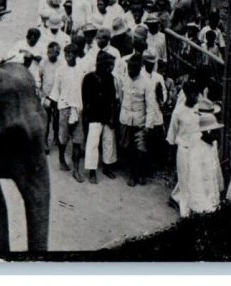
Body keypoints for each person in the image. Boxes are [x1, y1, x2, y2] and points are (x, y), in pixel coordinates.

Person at [48, 42, 86, 181]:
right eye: (66, 54)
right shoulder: (60, 70)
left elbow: (84, 89)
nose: (68, 57)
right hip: (63, 107)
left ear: (76, 55)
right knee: (63, 138)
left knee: (77, 140)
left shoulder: (82, 69)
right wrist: (55, 110)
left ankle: (76, 169)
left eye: (71, 54)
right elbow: (56, 91)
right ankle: (61, 160)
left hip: (78, 108)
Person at [118, 55, 157, 186]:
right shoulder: (123, 79)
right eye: (129, 67)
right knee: (128, 148)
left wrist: (148, 125)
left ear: (140, 68)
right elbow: (121, 98)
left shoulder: (147, 83)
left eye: (134, 68)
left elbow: (151, 106)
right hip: (126, 120)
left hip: (140, 121)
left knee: (140, 149)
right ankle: (133, 173)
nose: (130, 70)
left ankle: (139, 175)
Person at [82, 50, 119, 184]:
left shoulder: (110, 78)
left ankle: (107, 167)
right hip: (93, 116)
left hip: (107, 116)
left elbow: (112, 99)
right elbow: (85, 100)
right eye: (109, 66)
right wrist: (86, 117)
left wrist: (112, 117)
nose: (111, 68)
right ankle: (92, 171)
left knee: (109, 142)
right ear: (101, 65)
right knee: (92, 143)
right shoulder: (88, 78)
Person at [166, 79, 202, 211]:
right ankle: (184, 210)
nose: (196, 97)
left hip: (196, 148)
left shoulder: (198, 108)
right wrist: (171, 154)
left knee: (191, 177)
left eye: (197, 94)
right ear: (187, 94)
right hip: (183, 149)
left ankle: (175, 197)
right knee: (184, 178)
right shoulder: (178, 112)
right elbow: (172, 133)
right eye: (194, 95)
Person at [181, 113, 224, 217]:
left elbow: (217, 168)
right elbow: (196, 183)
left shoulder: (213, 145)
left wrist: (220, 188)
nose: (218, 134)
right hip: (202, 203)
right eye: (215, 131)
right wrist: (204, 207)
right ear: (207, 132)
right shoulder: (197, 151)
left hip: (213, 195)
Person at [39, 41, 63, 152]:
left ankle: (56, 137)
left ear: (58, 53)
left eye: (54, 52)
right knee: (45, 119)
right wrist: (42, 94)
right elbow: (40, 78)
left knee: (57, 118)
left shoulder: (61, 63)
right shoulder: (43, 63)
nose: (51, 54)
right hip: (46, 96)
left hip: (57, 96)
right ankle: (44, 142)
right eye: (49, 52)